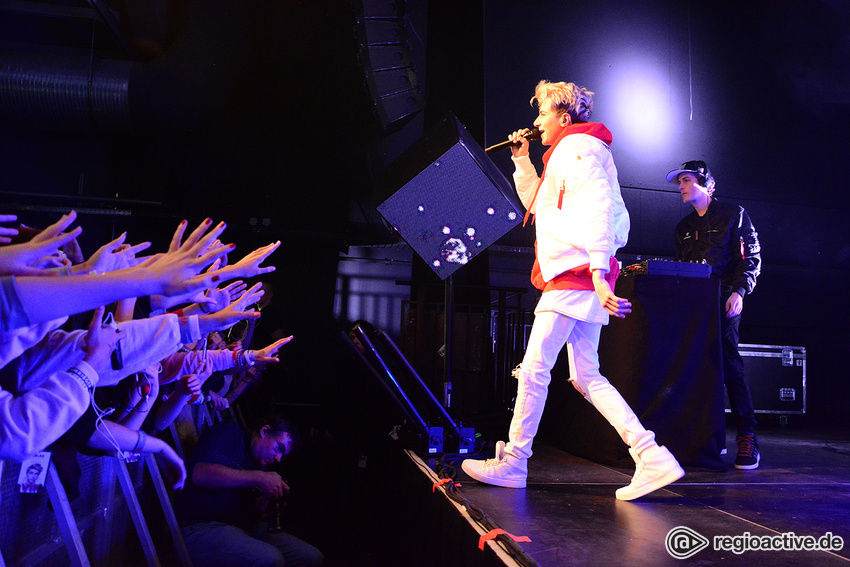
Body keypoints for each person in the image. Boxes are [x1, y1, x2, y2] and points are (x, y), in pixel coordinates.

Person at [461, 80, 684, 500]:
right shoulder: (568, 151)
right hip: (579, 271)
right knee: (586, 375)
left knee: (534, 369)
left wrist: (599, 272)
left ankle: (515, 462)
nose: (535, 121)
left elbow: (598, 206)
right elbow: (542, 208)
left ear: (564, 117)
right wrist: (524, 163)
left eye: (542, 113)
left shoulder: (578, 149)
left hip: (577, 273)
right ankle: (650, 454)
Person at [666, 160, 762, 469]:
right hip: (695, 306)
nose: (680, 186)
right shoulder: (683, 228)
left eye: (685, 180)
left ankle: (747, 437)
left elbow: (751, 258)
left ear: (705, 183)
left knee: (730, 366)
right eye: (678, 181)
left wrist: (739, 292)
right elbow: (680, 269)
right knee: (695, 368)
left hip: (724, 300)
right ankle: (707, 437)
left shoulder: (734, 215)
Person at [174, 415, 323, 567]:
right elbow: (199, 474)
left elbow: (252, 508)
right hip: (199, 527)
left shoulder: (261, 465)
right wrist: (258, 477)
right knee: (270, 559)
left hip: (240, 528)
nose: (278, 458)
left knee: (309, 557)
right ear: (265, 431)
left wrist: (265, 502)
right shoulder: (230, 432)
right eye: (279, 448)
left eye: (283, 456)